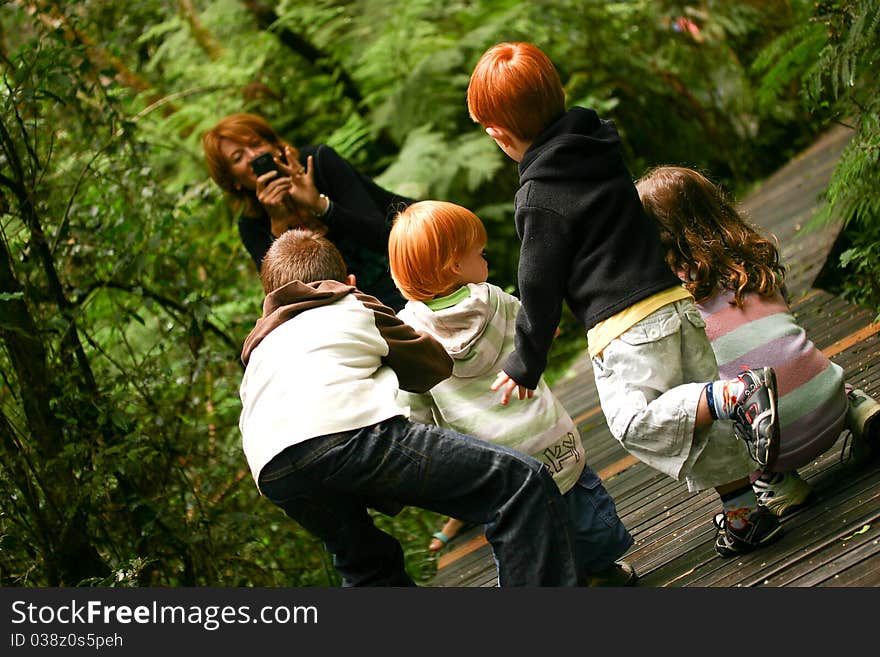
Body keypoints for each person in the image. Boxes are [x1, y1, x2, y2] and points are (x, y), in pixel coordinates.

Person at [466, 41, 784, 558]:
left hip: (625, 327)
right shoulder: (600, 146)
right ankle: (746, 515)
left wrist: (527, 358)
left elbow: (537, 281)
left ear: (498, 135)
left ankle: (735, 396)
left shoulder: (537, 196)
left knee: (636, 422)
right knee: (694, 412)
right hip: (674, 305)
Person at [238, 228, 583, 586]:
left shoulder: (260, 343)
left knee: (365, 563)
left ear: (270, 301)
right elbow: (432, 365)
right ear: (349, 281)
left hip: (271, 466)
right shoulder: (351, 303)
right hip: (349, 433)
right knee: (517, 485)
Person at [388, 200, 636, 586]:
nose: (484, 260)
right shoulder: (494, 300)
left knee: (521, 534)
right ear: (456, 266)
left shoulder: (409, 333)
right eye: (479, 254)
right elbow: (535, 331)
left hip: (493, 463)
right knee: (580, 504)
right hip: (545, 435)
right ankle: (603, 569)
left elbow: (413, 407)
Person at [636, 165, 880, 515]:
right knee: (792, 352)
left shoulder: (675, 301)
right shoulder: (752, 260)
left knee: (713, 399)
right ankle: (859, 410)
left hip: (776, 444)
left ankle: (778, 484)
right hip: (829, 401)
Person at [202, 113, 412, 310]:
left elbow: (382, 235)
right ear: (233, 181)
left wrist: (321, 206)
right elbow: (281, 299)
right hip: (336, 310)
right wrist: (278, 228)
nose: (253, 156)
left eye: (256, 144)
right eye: (238, 158)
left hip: (392, 274)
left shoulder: (318, 162)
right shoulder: (251, 224)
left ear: (274, 144)